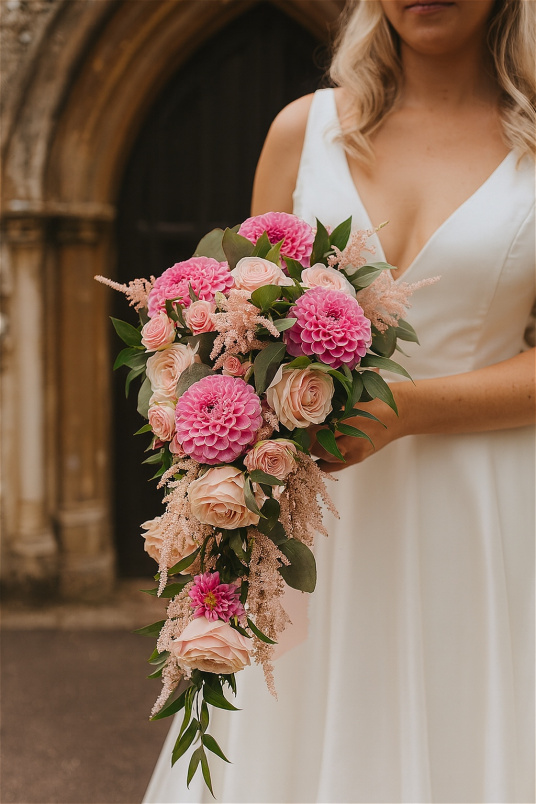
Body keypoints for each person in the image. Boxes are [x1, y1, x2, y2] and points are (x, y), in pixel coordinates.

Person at [144, 1, 535, 801]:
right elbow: (239, 334)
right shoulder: (302, 130)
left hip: (494, 509)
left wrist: (408, 410)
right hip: (318, 519)